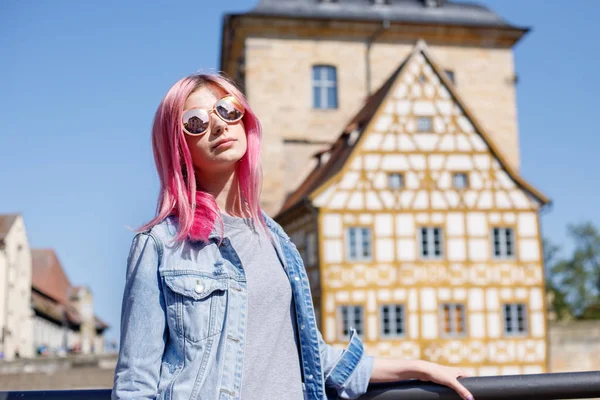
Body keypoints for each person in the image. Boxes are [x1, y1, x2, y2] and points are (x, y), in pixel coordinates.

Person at [111, 73, 475, 400]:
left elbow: (313, 357)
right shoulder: (161, 244)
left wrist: (420, 368)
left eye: (227, 110)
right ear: (179, 147)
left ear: (245, 120)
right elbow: (135, 386)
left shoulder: (275, 239)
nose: (219, 126)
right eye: (196, 123)